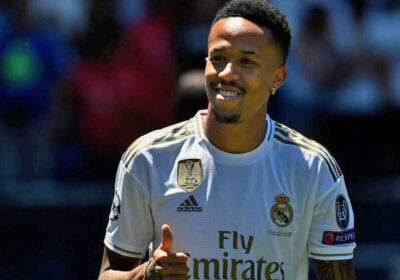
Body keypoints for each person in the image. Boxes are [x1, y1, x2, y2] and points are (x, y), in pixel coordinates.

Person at [98, 0, 356, 279]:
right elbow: (109, 274)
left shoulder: (313, 168)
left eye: (247, 61)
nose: (227, 72)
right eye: (218, 57)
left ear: (277, 79)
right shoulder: (148, 159)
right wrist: (148, 274)